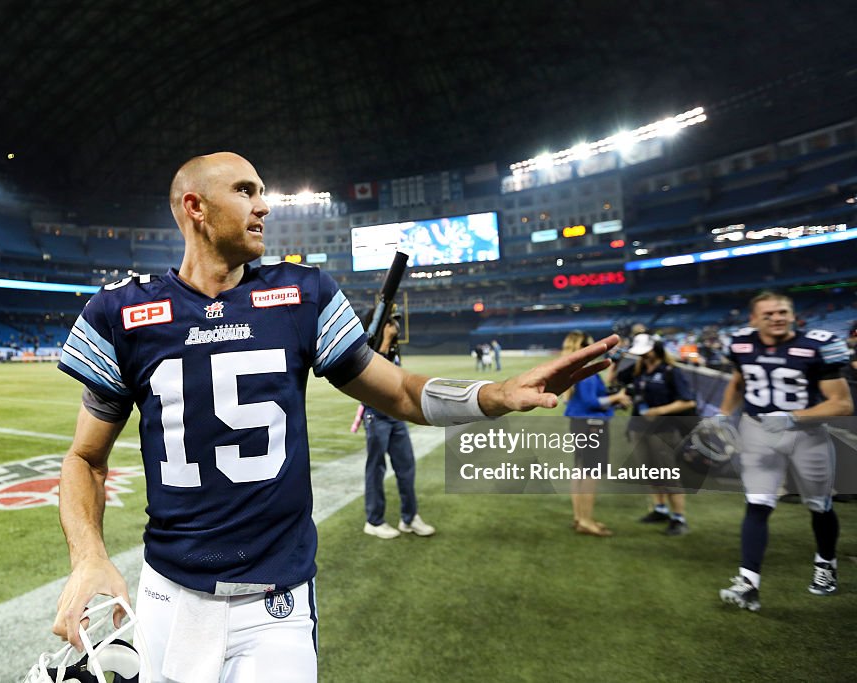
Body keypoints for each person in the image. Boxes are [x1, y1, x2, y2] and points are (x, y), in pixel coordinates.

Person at [51, 151, 618, 682]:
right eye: (245, 191)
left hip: (275, 603)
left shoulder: (303, 293)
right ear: (194, 207)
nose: (263, 206)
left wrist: (494, 394)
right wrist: (89, 558)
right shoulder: (122, 312)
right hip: (166, 595)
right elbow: (84, 458)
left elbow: (398, 392)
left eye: (263, 192)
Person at [717, 291, 853, 612]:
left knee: (819, 504)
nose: (777, 318)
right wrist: (723, 415)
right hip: (758, 431)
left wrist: (793, 418)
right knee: (758, 504)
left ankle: (826, 563)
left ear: (793, 315)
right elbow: (738, 382)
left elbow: (843, 404)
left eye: (782, 312)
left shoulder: (818, 345)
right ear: (753, 319)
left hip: (807, 435)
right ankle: (748, 583)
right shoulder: (740, 343)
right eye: (768, 314)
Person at [360, 307, 435, 539]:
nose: (395, 325)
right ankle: (374, 520)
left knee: (406, 467)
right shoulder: (368, 346)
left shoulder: (393, 348)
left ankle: (409, 517)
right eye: (390, 321)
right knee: (376, 469)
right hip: (376, 416)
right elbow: (373, 378)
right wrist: (384, 344)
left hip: (395, 417)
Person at [624, 333, 697, 536]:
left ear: (656, 349)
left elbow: (688, 401)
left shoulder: (671, 371)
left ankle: (679, 518)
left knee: (668, 474)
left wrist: (660, 410)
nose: (644, 356)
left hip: (663, 431)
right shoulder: (639, 370)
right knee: (650, 472)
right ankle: (660, 509)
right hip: (638, 429)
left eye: (646, 352)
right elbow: (621, 384)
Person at [561, 331, 631, 536]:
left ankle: (579, 517)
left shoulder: (572, 369)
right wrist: (616, 398)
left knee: (580, 470)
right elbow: (592, 402)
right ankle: (586, 520)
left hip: (578, 423)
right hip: (592, 424)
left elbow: (571, 400)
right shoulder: (586, 372)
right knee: (591, 473)